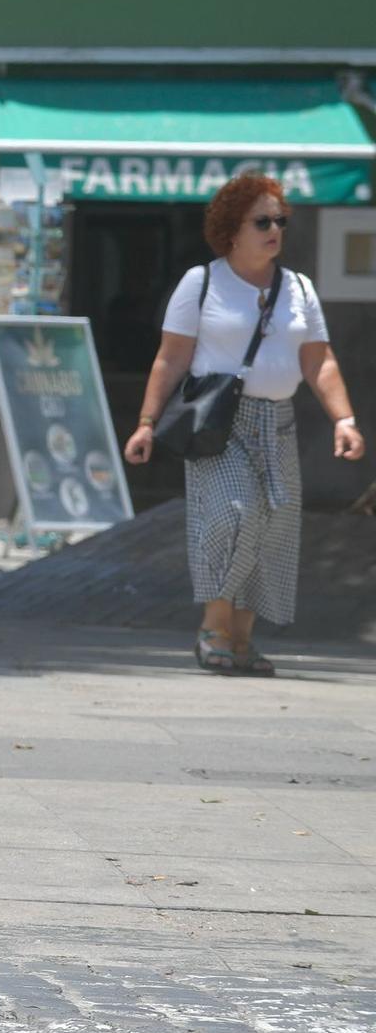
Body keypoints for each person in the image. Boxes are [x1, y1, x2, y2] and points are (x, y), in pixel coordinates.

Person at [123, 174, 363, 676]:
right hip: (220, 425)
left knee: (275, 525)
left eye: (280, 221)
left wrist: (344, 419)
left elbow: (319, 361)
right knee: (238, 514)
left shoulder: (299, 288)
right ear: (232, 229)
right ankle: (214, 627)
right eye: (262, 221)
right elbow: (170, 360)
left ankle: (242, 639)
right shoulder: (202, 282)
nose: (274, 229)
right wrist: (146, 423)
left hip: (278, 422)